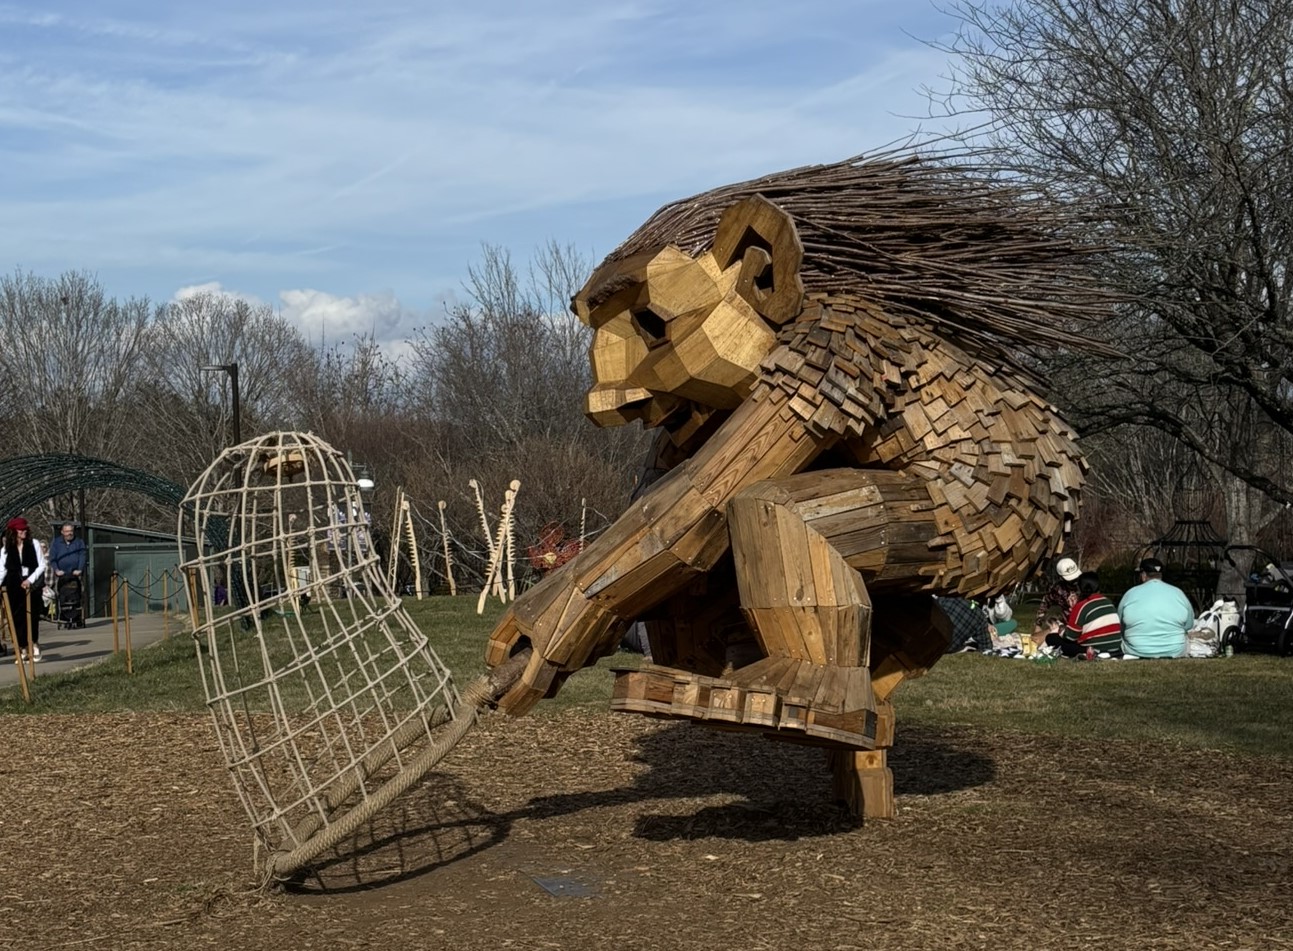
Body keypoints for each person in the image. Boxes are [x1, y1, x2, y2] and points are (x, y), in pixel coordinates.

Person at [1118, 557, 1194, 659]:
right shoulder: (1178, 593)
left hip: (1136, 649)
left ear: (1143, 575)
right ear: (1161, 575)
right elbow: (1189, 625)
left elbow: (1120, 624)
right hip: (1175, 649)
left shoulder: (1130, 594)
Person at [0, 517, 47, 662]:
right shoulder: (6, 549)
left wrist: (30, 580)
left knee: (32, 616)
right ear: (14, 532)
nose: (24, 531)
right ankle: (23, 647)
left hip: (30, 583)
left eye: (25, 529)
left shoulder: (34, 544)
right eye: (20, 530)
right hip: (14, 584)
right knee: (16, 618)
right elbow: (2, 570)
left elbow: (42, 565)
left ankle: (34, 643)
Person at [1045, 571, 1122, 657]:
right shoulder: (1108, 602)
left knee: (1051, 638)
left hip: (1093, 648)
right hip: (1115, 648)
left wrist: (1060, 629)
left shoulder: (1081, 606)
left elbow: (1070, 637)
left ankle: (1089, 652)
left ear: (1079, 588)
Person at [1040, 556, 1082, 621]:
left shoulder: (1084, 584)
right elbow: (1046, 602)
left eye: (1075, 578)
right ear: (1061, 578)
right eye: (1071, 580)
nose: (1074, 581)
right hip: (1068, 623)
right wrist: (1039, 620)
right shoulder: (1058, 589)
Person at [48, 521, 87, 586]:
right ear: (62, 532)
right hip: (61, 576)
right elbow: (52, 558)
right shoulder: (56, 542)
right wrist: (56, 570)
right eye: (67, 531)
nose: (69, 533)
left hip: (75, 575)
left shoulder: (79, 542)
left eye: (71, 531)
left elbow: (82, 556)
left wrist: (80, 569)